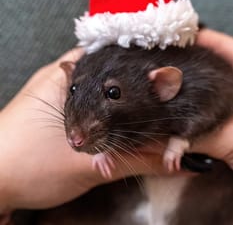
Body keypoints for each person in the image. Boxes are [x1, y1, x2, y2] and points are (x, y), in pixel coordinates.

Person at [0, 28, 233, 213]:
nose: (75, 138)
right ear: (69, 74)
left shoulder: (191, 85)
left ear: (162, 84)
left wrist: (184, 138)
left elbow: (220, 91)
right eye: (73, 88)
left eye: (113, 94)